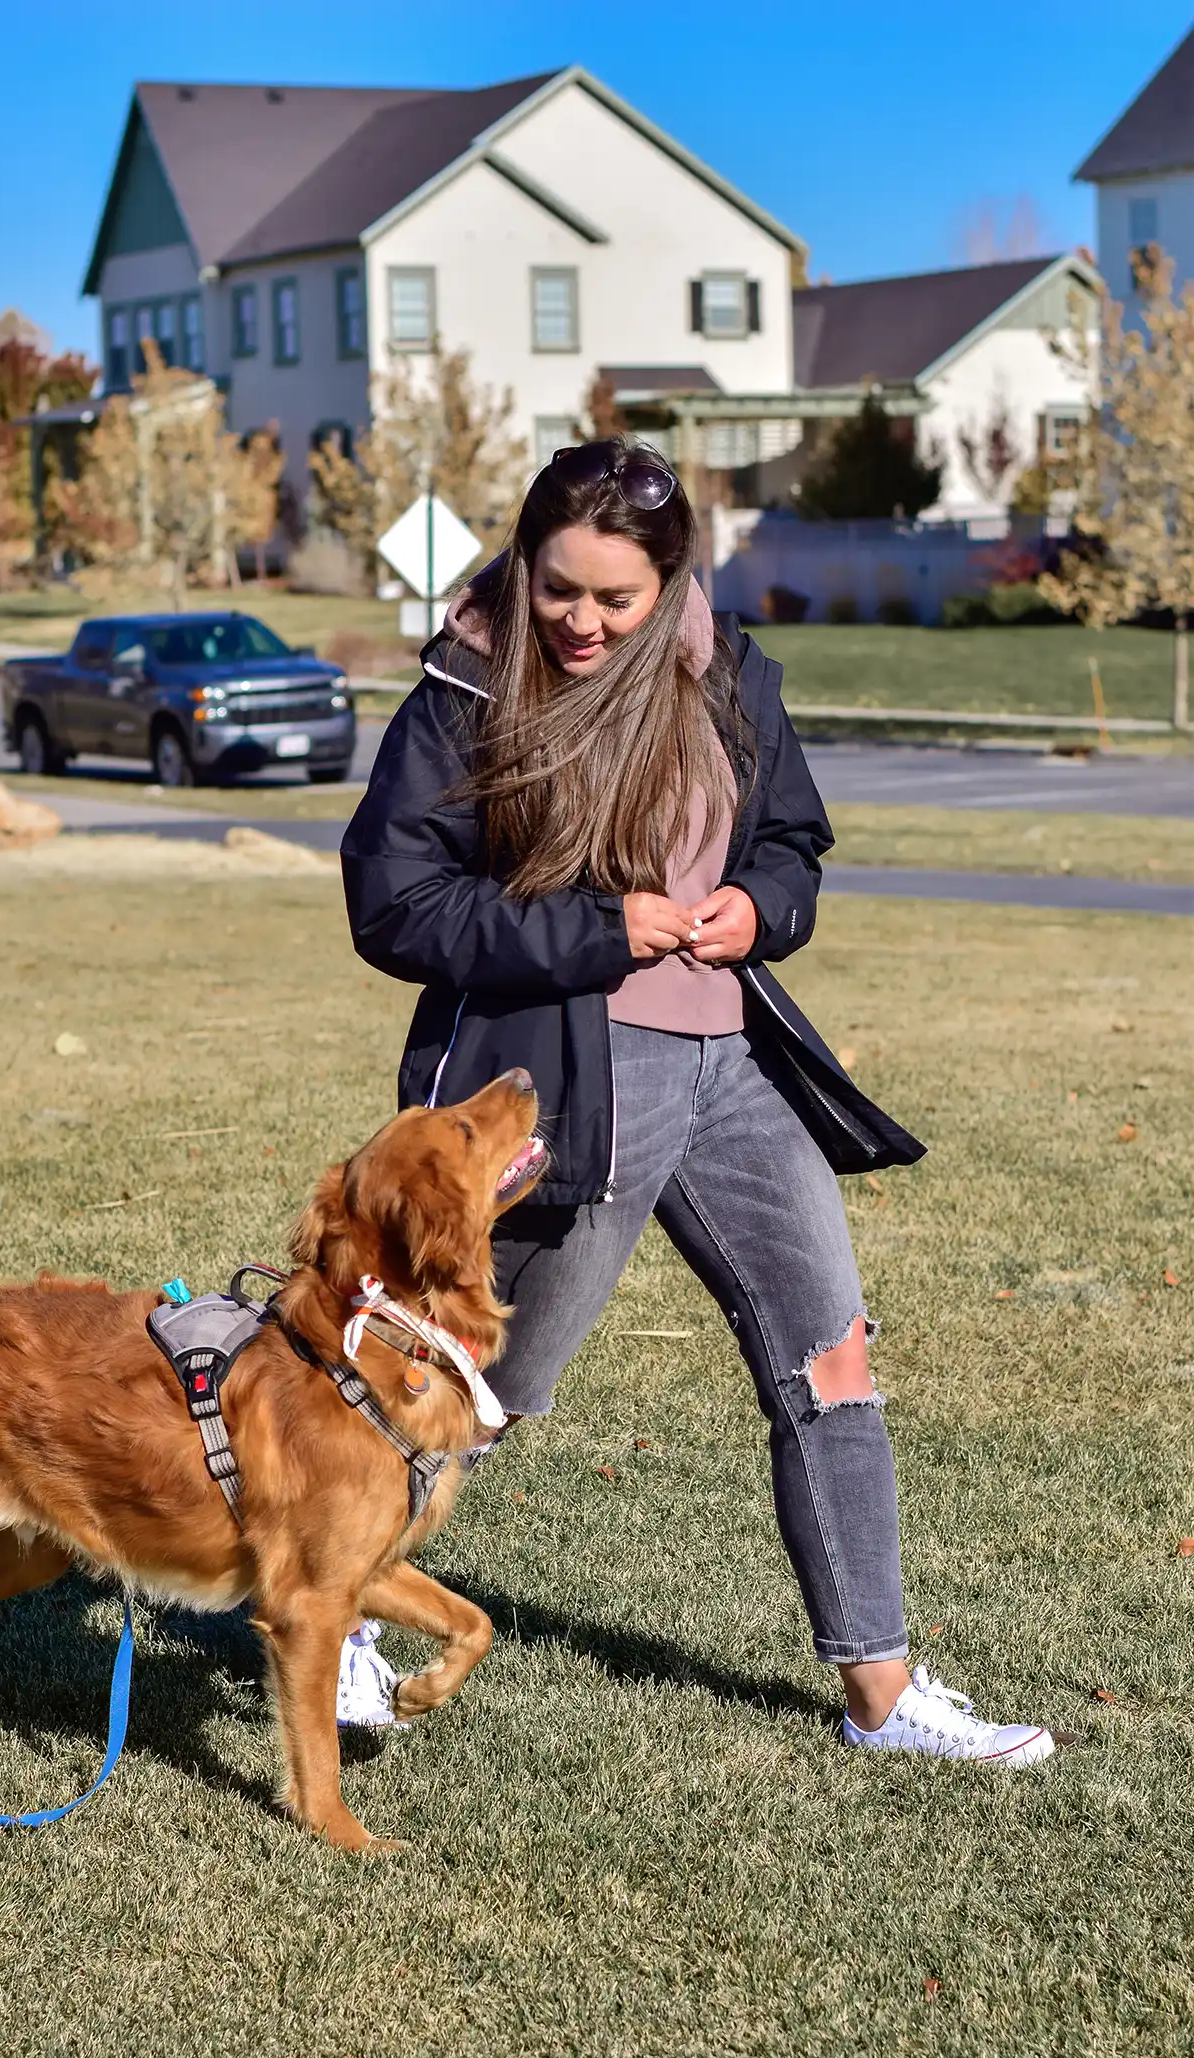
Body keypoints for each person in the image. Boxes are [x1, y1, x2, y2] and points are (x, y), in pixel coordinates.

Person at [335, 437, 1053, 1765]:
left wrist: (759, 909)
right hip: (565, 1083)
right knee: (477, 1388)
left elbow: (791, 843)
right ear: (523, 563)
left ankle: (882, 1697)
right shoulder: (470, 684)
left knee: (829, 1355)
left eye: (618, 599)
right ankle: (332, 1612)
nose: (583, 622)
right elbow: (394, 901)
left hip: (733, 1066)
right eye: (560, 588)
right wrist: (600, 931)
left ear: (673, 585)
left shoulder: (723, 668)